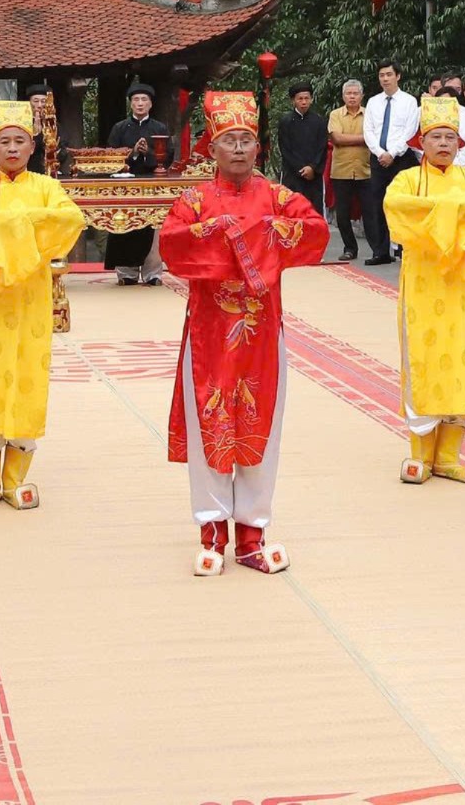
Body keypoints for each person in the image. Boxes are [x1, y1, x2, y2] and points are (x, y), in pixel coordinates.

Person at [158, 93, 329, 574]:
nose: (238, 149)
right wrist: (228, 231)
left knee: (261, 425)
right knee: (208, 422)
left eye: (246, 141)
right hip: (209, 335)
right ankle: (211, 532)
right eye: (228, 140)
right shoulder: (193, 200)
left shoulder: (277, 196)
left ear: (259, 149)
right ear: (211, 148)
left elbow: (313, 231)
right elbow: (173, 244)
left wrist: (248, 233)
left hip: (261, 334)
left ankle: (252, 535)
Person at [0, 103, 88, 513]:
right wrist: (23, 227)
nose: (11, 148)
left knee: (25, 374)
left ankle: (15, 477)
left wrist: (3, 227)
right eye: (4, 140)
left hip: (28, 298)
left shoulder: (46, 187)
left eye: (19, 141)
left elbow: (68, 220)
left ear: (32, 145)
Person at [383, 96, 465, 483]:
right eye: (435, 136)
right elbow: (398, 208)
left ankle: (447, 455)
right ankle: (421, 456)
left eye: (449, 137)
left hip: (461, 284)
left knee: (461, 359)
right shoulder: (407, 179)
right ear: (421, 142)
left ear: (459, 144)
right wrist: (458, 210)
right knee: (422, 360)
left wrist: (446, 207)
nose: (443, 143)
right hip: (423, 285)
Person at [105, 83, 174, 284]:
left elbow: (168, 156)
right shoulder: (120, 128)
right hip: (124, 187)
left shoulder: (159, 128)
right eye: (136, 100)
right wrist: (133, 153)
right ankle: (127, 273)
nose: (140, 103)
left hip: (152, 185)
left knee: (152, 228)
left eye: (144, 100)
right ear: (131, 104)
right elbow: (111, 156)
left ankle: (153, 274)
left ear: (150, 104)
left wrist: (148, 154)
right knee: (123, 226)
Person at [361, 63, 420, 266]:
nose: (385, 79)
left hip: (401, 158)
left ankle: (405, 248)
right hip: (378, 158)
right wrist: (380, 153)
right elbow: (368, 130)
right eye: (381, 75)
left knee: (403, 203)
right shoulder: (373, 102)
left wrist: (393, 153)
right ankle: (381, 251)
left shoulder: (409, 101)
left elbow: (410, 131)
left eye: (389, 74)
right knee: (378, 203)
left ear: (398, 76)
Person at [326, 80, 373, 263]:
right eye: (348, 94)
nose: (352, 97)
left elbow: (374, 137)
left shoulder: (370, 114)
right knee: (343, 214)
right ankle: (350, 248)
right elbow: (337, 138)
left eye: (355, 93)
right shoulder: (335, 114)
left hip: (366, 169)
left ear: (362, 96)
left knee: (371, 212)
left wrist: (352, 139)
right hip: (342, 170)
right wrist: (365, 138)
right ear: (343, 96)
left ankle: (378, 249)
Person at [276, 83, 328, 218]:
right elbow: (285, 149)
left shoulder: (319, 121)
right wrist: (300, 168)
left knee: (314, 213)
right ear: (293, 100)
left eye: (306, 98)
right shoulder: (285, 121)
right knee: (292, 212)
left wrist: (312, 167)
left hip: (313, 175)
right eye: (300, 99)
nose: (304, 102)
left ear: (311, 99)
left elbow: (322, 147)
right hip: (293, 175)